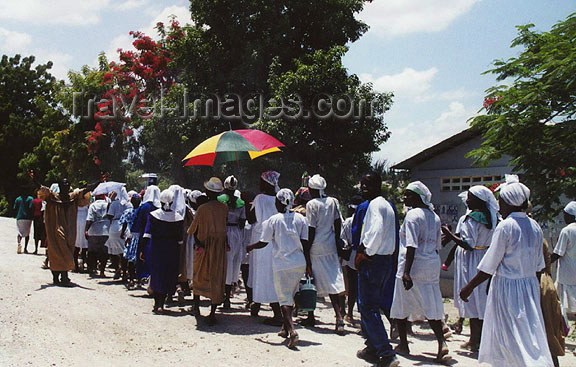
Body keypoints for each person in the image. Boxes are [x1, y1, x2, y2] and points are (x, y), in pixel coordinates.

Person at [460, 178, 553, 367]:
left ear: (509, 203)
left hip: (507, 288)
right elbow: (539, 265)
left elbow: (489, 265)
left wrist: (468, 288)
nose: (498, 205)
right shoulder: (534, 226)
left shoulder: (505, 226)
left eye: (501, 201)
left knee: (509, 334)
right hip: (528, 287)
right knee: (527, 332)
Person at [391, 181, 449, 364]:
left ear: (417, 197)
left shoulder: (412, 216)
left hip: (413, 265)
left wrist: (406, 272)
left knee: (401, 303)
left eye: (408, 195)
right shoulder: (434, 217)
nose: (405, 198)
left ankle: (403, 343)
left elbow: (411, 245)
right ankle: (442, 343)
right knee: (431, 304)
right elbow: (437, 245)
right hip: (431, 265)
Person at [247, 189, 309, 348]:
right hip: (299, 262)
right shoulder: (301, 219)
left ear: (278, 203)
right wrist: (308, 264)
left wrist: (251, 247)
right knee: (291, 294)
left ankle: (293, 331)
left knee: (284, 299)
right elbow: (306, 243)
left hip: (282, 263)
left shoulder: (273, 220)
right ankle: (285, 329)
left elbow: (264, 242)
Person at [441, 185, 498, 351]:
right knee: (480, 300)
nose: (467, 200)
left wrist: (449, 234)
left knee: (472, 299)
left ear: (479, 200)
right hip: (483, 257)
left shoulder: (473, 218)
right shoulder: (489, 217)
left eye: (470, 198)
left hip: (472, 261)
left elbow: (468, 244)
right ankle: (478, 339)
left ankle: (474, 340)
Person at [354, 173, 399, 367]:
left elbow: (375, 232)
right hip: (385, 260)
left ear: (376, 185)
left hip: (373, 260)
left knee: (368, 306)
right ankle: (372, 346)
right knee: (371, 304)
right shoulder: (387, 205)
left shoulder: (374, 205)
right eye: (362, 184)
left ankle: (386, 353)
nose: (364, 187)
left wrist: (364, 253)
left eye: (368, 184)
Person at [33, 173, 99, 285]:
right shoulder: (53, 197)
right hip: (55, 229)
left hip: (70, 230)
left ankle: (64, 275)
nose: (66, 186)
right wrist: (34, 178)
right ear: (60, 186)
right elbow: (42, 188)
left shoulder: (73, 197)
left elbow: (87, 189)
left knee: (68, 249)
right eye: (64, 184)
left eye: (68, 184)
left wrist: (99, 181)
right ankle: (59, 276)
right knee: (56, 250)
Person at [304, 174, 346, 334]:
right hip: (330, 246)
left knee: (311, 280)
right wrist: (337, 242)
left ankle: (310, 315)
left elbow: (311, 228)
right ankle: (339, 317)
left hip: (316, 246)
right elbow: (337, 223)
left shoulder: (311, 204)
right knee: (333, 282)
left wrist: (307, 249)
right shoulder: (333, 201)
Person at [188, 177, 228, 325]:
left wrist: (199, 242)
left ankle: (196, 307)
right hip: (219, 248)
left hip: (203, 246)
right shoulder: (224, 208)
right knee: (217, 276)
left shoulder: (202, 209)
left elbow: (192, 229)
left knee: (199, 274)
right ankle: (212, 313)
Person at [247, 171, 282, 324]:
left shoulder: (260, 199)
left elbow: (252, 218)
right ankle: (257, 303)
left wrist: (248, 203)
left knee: (262, 274)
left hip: (261, 238)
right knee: (269, 273)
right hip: (275, 240)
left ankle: (276, 313)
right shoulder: (279, 199)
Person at [143, 187, 185, 314]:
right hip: (172, 250)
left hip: (156, 248)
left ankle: (157, 304)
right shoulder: (178, 218)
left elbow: (147, 234)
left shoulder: (153, 216)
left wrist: (142, 250)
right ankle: (163, 302)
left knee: (157, 275)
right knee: (168, 275)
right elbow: (180, 239)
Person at [218, 175, 247, 308]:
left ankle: (223, 296)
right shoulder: (241, 202)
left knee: (224, 263)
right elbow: (242, 222)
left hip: (224, 231)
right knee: (233, 263)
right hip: (237, 233)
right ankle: (228, 295)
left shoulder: (220, 200)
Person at [542, 238, 566, 367]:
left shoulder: (533, 238)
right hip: (547, 284)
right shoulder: (539, 237)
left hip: (539, 286)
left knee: (546, 329)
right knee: (550, 328)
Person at [552, 201, 576, 327]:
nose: (564, 217)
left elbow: (558, 253)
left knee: (561, 305)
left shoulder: (567, 231)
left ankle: (562, 329)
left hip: (566, 274)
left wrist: (544, 263)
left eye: (565, 215)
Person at [340, 195, 362, 325]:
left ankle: (346, 311)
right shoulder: (365, 220)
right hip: (361, 255)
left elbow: (343, 240)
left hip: (349, 255)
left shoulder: (348, 221)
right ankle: (350, 313)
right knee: (357, 286)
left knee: (347, 284)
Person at [133, 185, 161, 283]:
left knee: (142, 254)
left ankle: (142, 276)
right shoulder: (160, 207)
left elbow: (138, 221)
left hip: (144, 234)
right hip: (157, 236)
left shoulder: (144, 207)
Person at [106, 188, 132, 279]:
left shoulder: (114, 203)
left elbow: (109, 215)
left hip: (114, 226)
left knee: (113, 250)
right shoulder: (129, 204)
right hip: (125, 227)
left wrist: (110, 203)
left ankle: (117, 269)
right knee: (123, 251)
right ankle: (124, 272)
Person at [85, 193, 110, 277]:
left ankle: (92, 269)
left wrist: (86, 230)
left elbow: (90, 219)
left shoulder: (93, 205)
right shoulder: (108, 205)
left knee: (92, 252)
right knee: (104, 252)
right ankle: (102, 271)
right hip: (106, 230)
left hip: (94, 231)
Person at [119, 192, 141, 285]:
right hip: (140, 236)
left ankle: (128, 276)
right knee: (137, 257)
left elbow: (124, 223)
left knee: (128, 256)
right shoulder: (141, 211)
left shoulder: (128, 211)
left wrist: (122, 233)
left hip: (130, 235)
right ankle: (138, 279)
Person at [14, 189, 34, 254]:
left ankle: (19, 244)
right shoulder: (30, 199)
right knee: (27, 234)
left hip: (19, 217)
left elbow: (15, 208)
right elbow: (31, 207)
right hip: (28, 218)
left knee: (20, 232)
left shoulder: (18, 199)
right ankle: (25, 248)